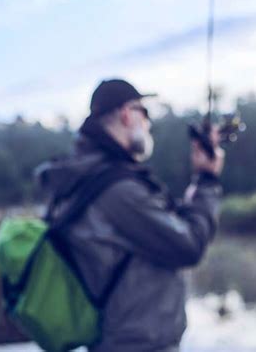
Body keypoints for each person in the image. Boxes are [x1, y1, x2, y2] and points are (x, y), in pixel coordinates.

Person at [36, 79, 225, 352]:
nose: (148, 123)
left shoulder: (84, 179)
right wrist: (207, 179)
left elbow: (170, 226)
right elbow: (189, 245)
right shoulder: (117, 190)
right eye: (144, 113)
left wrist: (199, 181)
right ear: (127, 113)